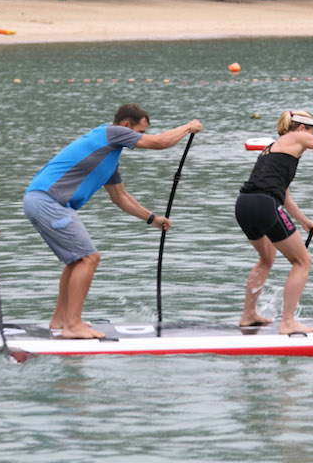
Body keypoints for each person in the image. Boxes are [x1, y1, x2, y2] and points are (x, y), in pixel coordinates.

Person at [23, 104, 201, 339]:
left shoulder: (108, 154)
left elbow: (120, 197)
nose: (139, 138)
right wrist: (188, 126)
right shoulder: (111, 132)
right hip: (48, 201)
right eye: (139, 132)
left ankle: (60, 321)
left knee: (76, 261)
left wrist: (152, 219)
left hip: (40, 200)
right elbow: (161, 142)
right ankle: (73, 326)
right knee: (89, 258)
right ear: (126, 126)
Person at [235, 111, 313, 335]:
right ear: (303, 128)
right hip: (264, 205)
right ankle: (288, 322)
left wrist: (304, 221)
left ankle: (248, 315)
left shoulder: (275, 147)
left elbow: (283, 194)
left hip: (244, 205)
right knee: (302, 261)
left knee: (267, 258)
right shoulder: (297, 136)